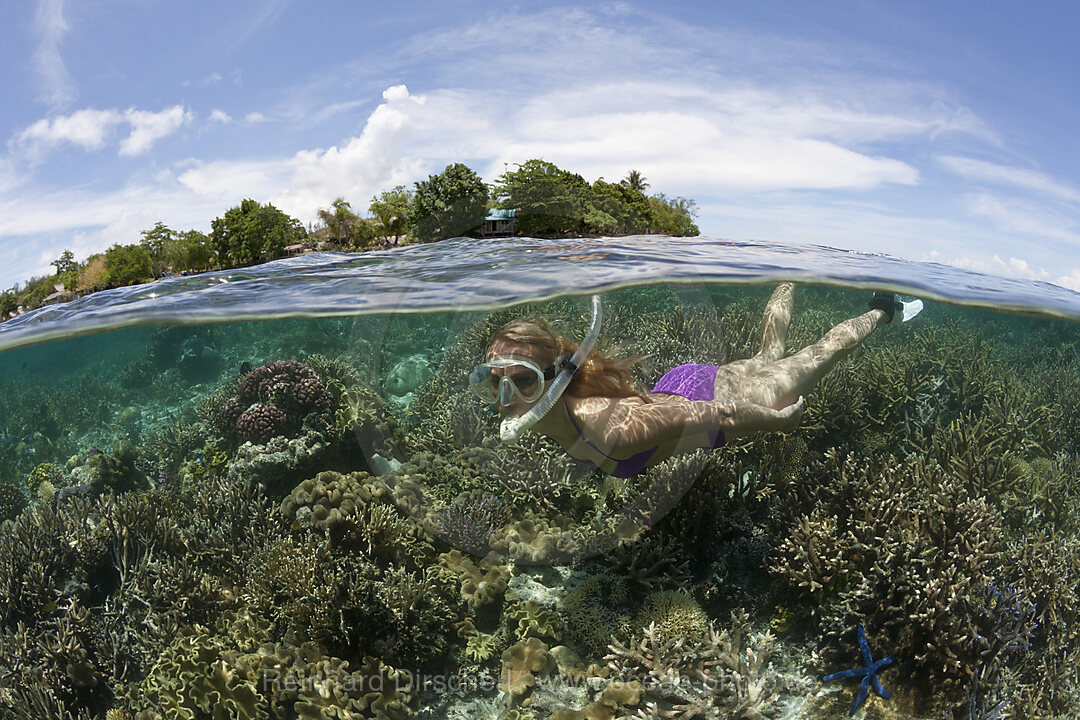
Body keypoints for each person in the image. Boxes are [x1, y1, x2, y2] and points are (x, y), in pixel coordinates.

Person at [469, 284, 911, 478]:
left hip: (710, 398)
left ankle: (883, 309)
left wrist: (781, 424)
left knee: (818, 354)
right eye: (494, 382)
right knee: (768, 355)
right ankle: (791, 271)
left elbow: (723, 416)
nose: (506, 398)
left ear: (553, 381)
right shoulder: (560, 413)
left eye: (523, 382)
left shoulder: (612, 432)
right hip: (679, 384)